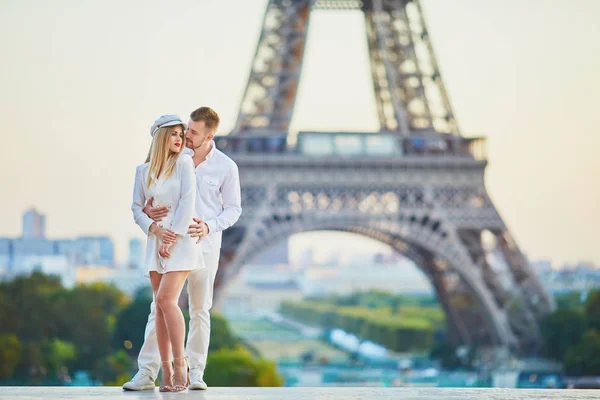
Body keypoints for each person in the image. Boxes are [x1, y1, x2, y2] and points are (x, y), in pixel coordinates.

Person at [123, 107, 242, 391]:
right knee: (160, 307)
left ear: (209, 135)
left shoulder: (226, 166)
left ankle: (194, 370)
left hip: (206, 245)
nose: (186, 135)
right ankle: (148, 371)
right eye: (183, 131)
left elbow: (234, 208)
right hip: (169, 243)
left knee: (201, 309)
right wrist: (152, 218)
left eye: (192, 132)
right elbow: (149, 200)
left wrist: (209, 226)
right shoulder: (177, 159)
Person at [130, 114, 204, 392]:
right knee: (159, 308)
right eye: (173, 133)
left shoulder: (184, 163)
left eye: (181, 133)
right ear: (161, 137)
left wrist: (170, 238)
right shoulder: (143, 171)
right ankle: (166, 371)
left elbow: (188, 201)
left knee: (165, 299)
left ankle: (181, 365)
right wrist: (154, 229)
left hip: (180, 241)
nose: (179, 138)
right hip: (155, 241)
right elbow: (136, 208)